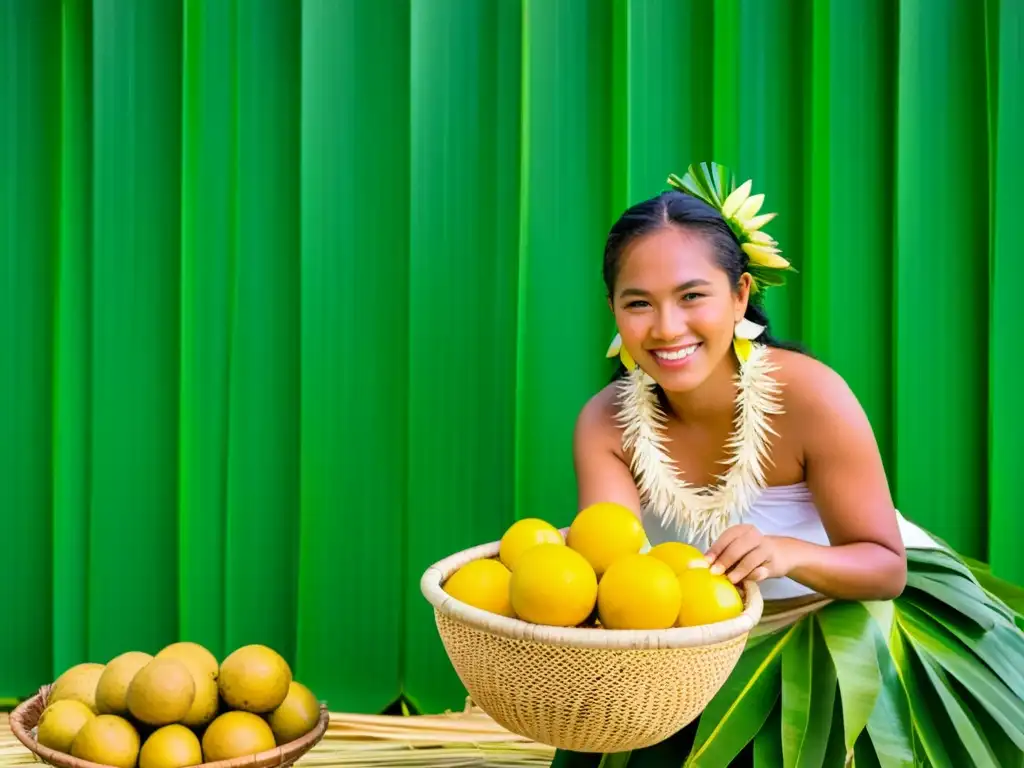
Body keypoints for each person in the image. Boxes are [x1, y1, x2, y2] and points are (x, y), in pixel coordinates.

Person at [550, 163, 1024, 767]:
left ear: (741, 293)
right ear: (615, 312)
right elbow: (611, 567)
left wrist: (786, 554)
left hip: (855, 623)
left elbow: (884, 566)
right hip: (692, 648)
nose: (667, 328)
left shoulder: (809, 395)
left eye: (693, 296)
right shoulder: (605, 424)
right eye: (638, 303)